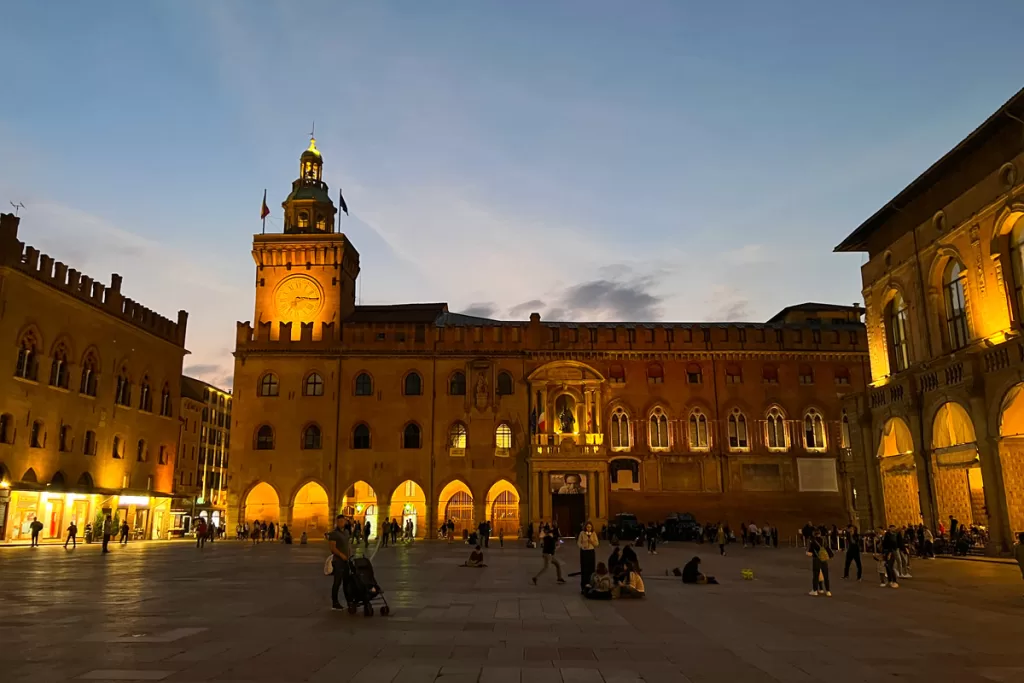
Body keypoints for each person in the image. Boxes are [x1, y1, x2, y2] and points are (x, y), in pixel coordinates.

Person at [328, 515, 352, 611]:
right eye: (339, 521)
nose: (341, 523)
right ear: (337, 522)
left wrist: (350, 554)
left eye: (343, 521)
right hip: (338, 561)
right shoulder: (334, 534)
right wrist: (341, 555)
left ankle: (349, 601)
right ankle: (335, 602)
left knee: (347, 582)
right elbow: (332, 548)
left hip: (347, 560)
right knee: (337, 582)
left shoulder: (346, 532)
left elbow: (348, 544)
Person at [807, 529, 833, 596]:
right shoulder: (824, 540)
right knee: (826, 575)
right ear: (820, 533)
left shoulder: (813, 542)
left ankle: (815, 590)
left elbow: (810, 552)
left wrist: (807, 553)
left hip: (816, 559)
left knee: (816, 575)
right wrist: (829, 555)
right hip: (824, 559)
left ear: (814, 534)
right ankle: (828, 591)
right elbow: (827, 548)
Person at [577, 521, 600, 593]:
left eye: (590, 527)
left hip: (591, 552)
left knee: (591, 568)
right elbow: (578, 542)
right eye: (587, 527)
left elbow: (597, 544)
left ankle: (591, 585)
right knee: (584, 569)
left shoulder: (593, 533)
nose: (588, 528)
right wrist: (582, 546)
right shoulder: (582, 533)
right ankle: (583, 586)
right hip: (584, 552)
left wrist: (591, 541)